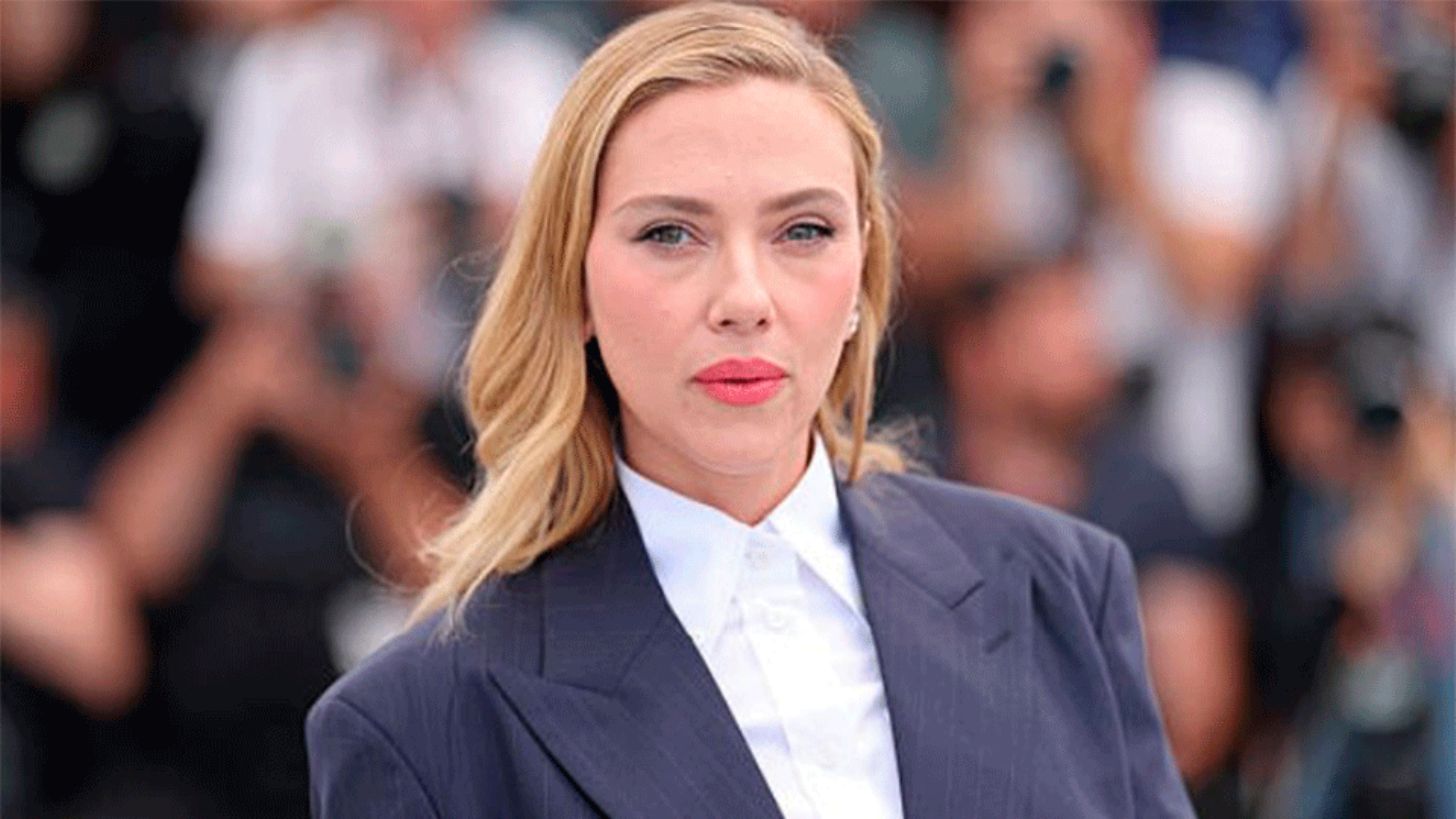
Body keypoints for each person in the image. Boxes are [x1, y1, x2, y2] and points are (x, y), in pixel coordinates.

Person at [305, 5, 1194, 817]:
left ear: (863, 275)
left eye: (803, 230)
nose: (744, 298)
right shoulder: (418, 723)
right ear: (573, 285)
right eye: (670, 233)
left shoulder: (1060, 588)